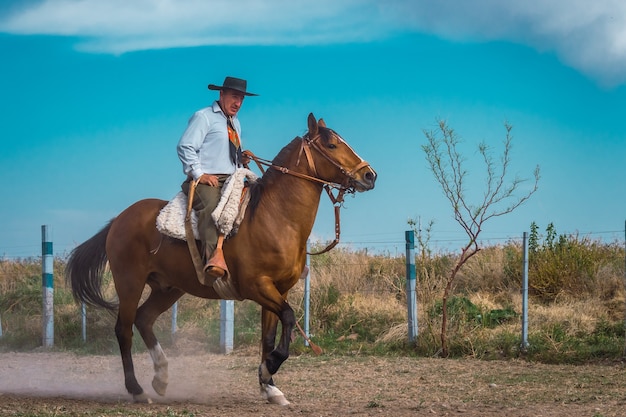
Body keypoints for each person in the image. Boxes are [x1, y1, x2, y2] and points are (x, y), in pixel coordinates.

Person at [177, 76, 258, 280]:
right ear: (221, 94)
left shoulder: (234, 123)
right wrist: (199, 174)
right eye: (234, 97)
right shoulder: (203, 117)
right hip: (205, 180)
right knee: (212, 209)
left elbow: (226, 154)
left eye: (241, 98)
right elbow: (185, 146)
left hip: (231, 179)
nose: (238, 103)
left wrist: (241, 159)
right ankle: (211, 261)